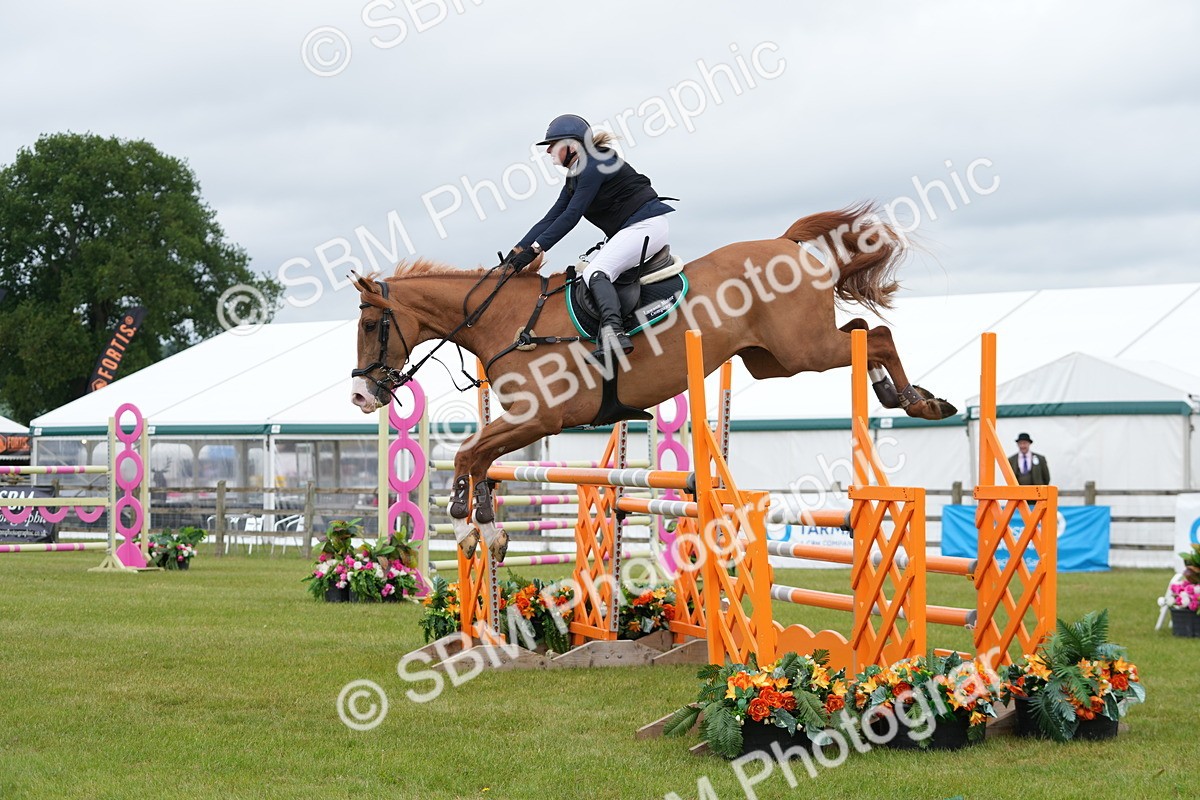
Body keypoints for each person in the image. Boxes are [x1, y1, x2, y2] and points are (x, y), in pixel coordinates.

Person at [504, 114, 674, 362]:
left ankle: (614, 333)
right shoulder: (578, 172)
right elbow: (552, 216)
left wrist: (537, 248)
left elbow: (572, 216)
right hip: (636, 227)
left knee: (596, 271)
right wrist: (518, 251)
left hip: (646, 225)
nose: (549, 150)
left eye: (553, 145)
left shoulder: (593, 165)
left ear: (572, 146)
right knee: (591, 271)